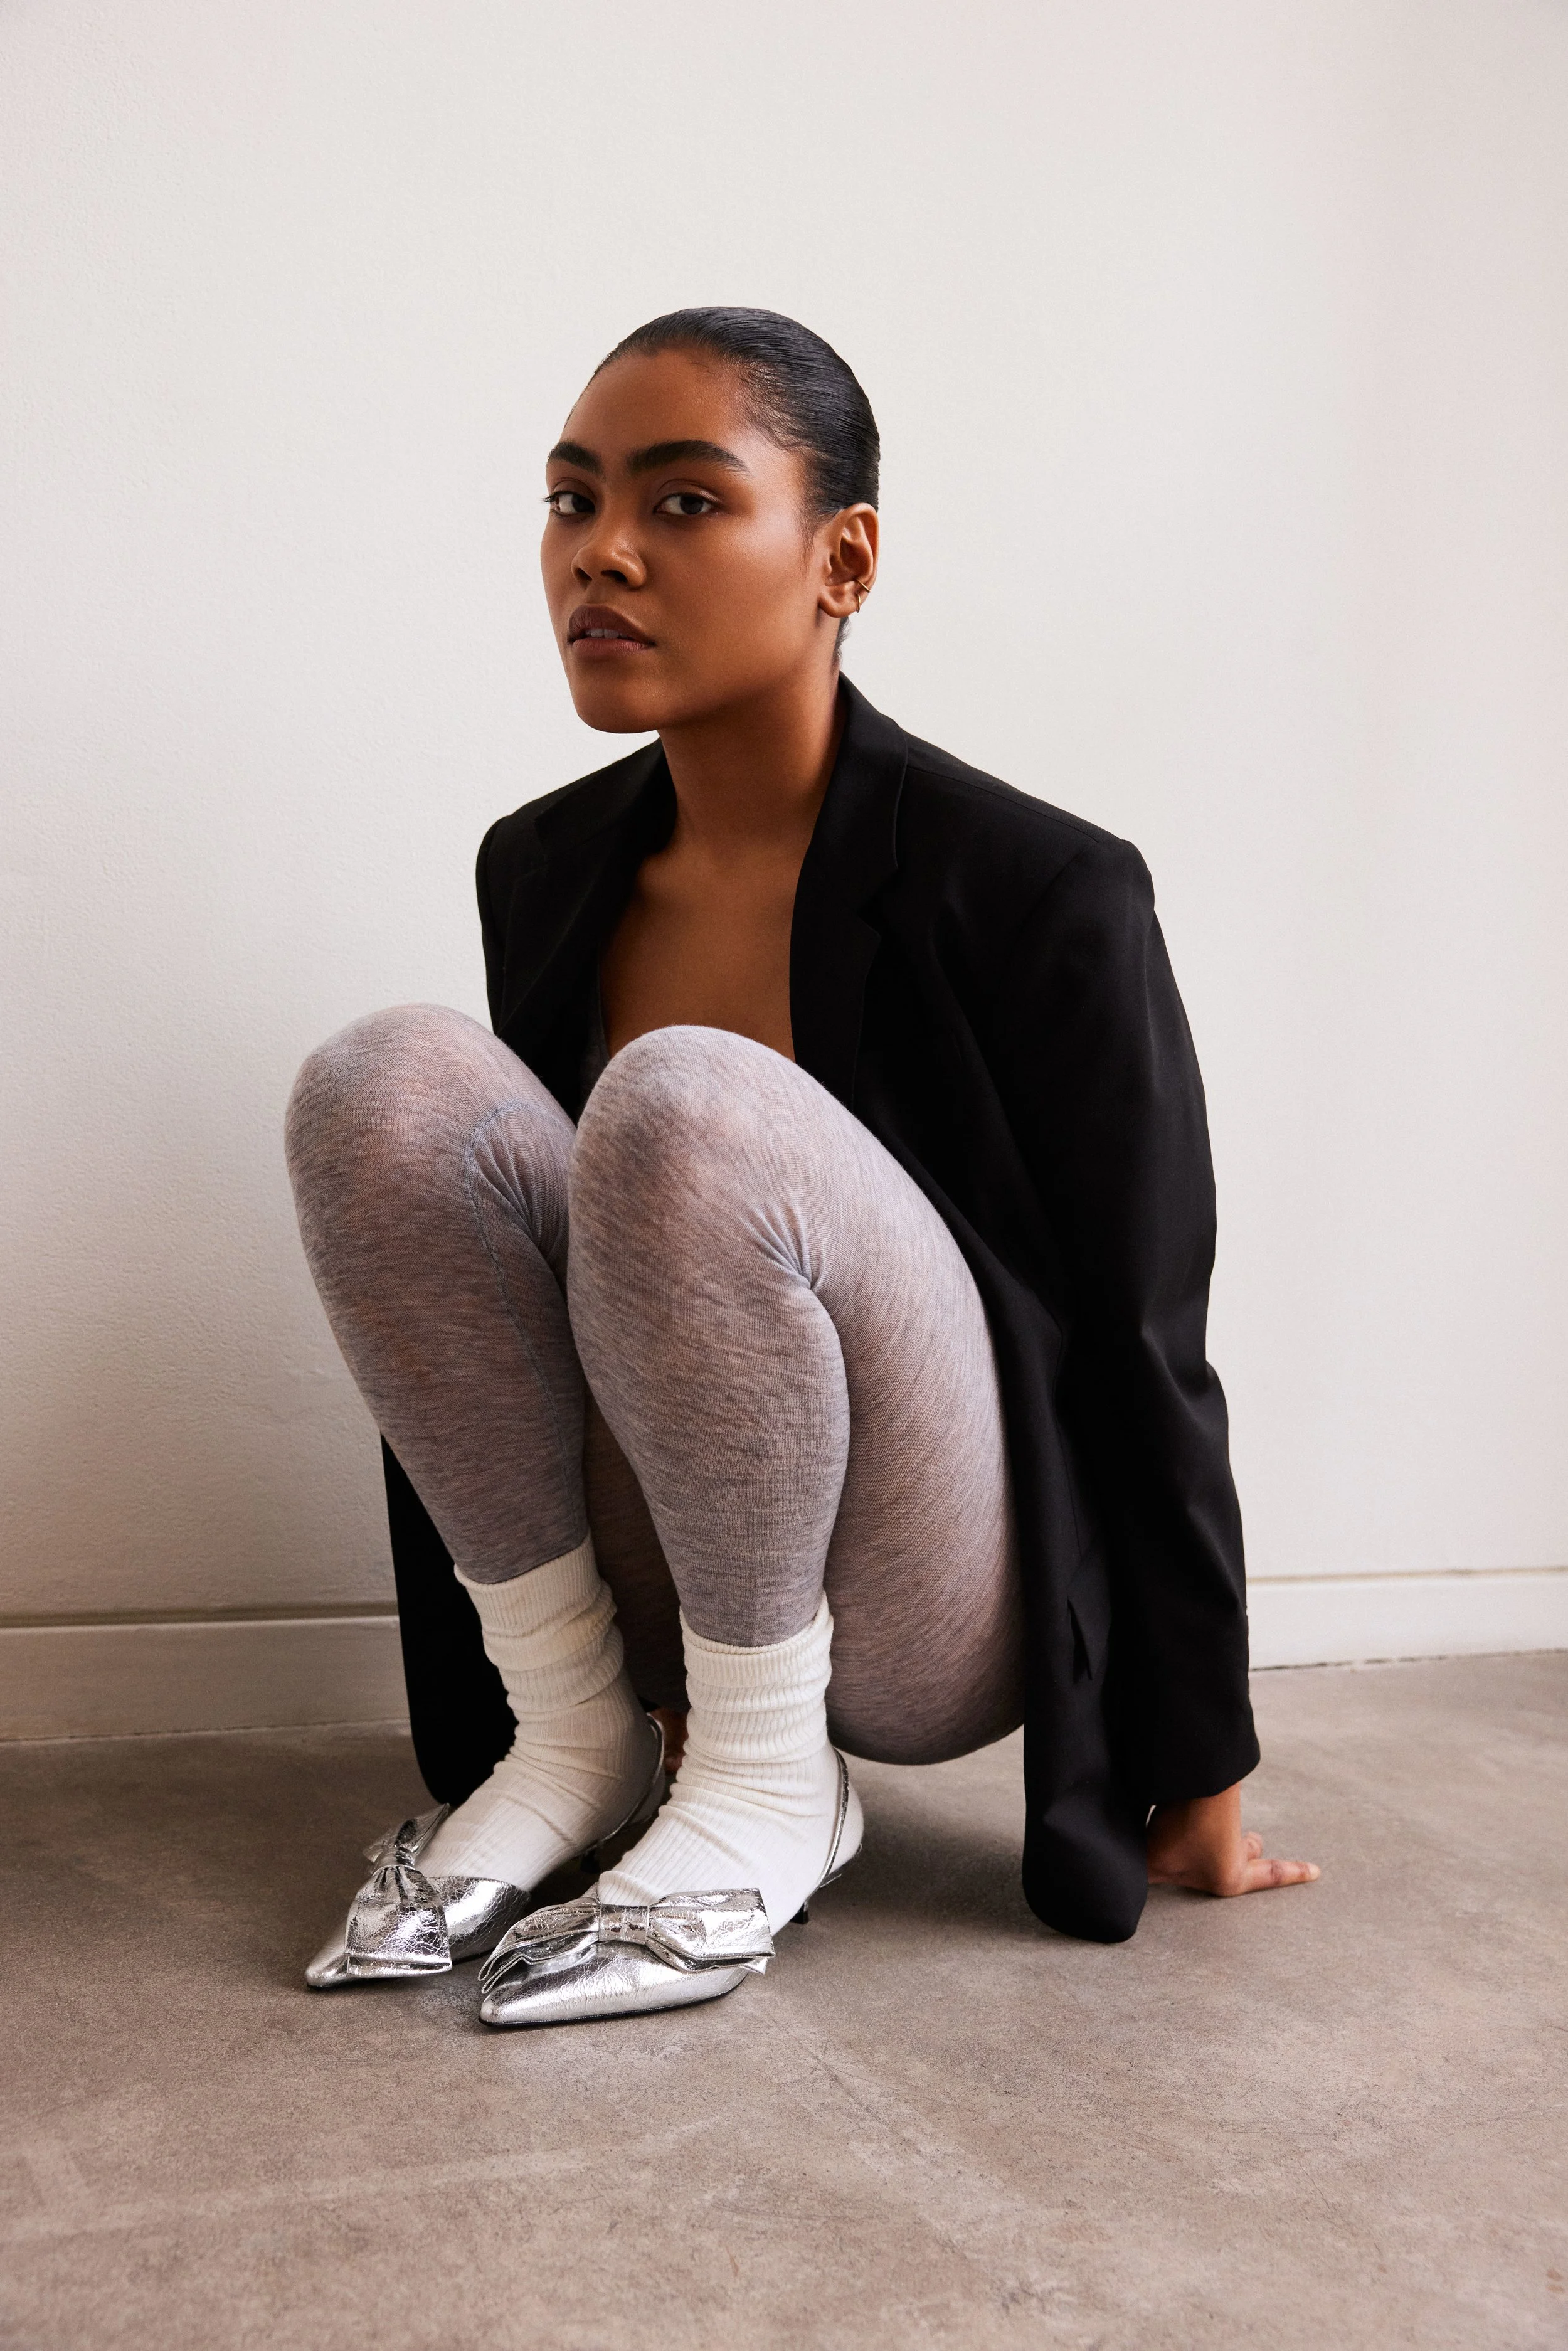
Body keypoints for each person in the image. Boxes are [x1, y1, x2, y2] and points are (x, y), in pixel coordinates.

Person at [285, 307, 1317, 2029]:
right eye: (569, 500)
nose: (600, 550)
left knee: (688, 1100)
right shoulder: (542, 865)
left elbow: (1144, 1332)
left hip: (931, 1591)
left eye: (685, 503)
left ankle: (773, 1779)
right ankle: (577, 1736)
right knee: (384, 1082)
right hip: (669, 1544)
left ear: (841, 557)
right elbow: (529, 1294)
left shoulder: (1044, 888)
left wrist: (1194, 1767)